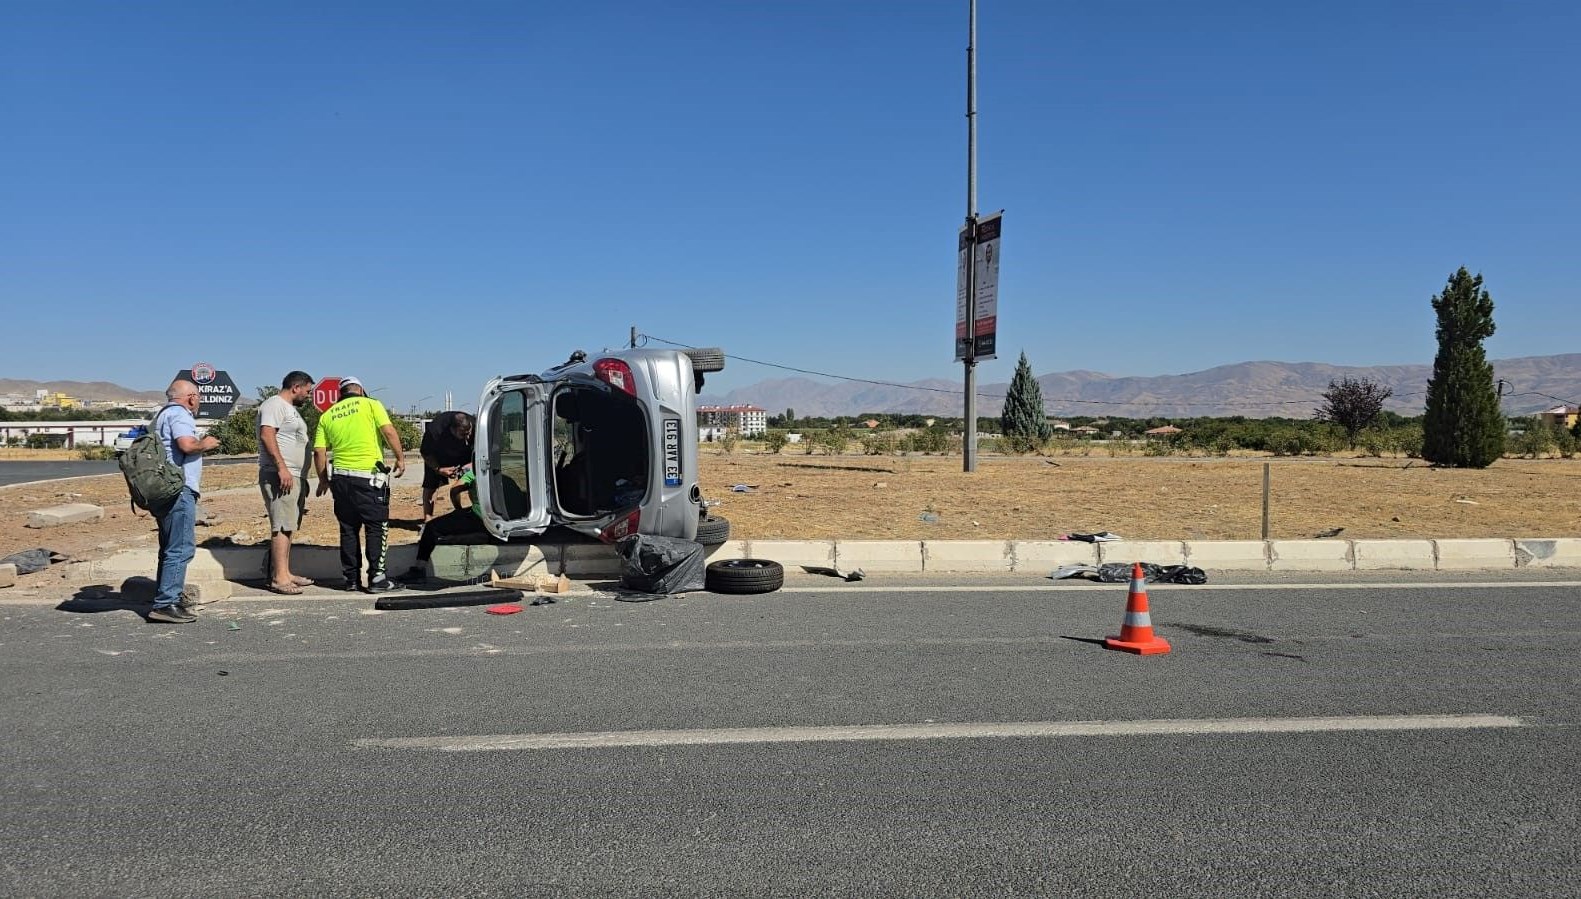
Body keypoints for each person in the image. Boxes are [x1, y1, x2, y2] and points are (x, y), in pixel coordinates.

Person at [313, 376, 407, 593]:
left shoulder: (327, 415)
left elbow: (319, 452)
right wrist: (400, 458)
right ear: (361, 390)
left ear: (341, 394)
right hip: (369, 479)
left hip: (341, 480)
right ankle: (377, 578)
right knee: (376, 526)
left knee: (348, 529)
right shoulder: (371, 404)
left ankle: (351, 580)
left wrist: (323, 480)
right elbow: (388, 431)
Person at [148, 379, 221, 624]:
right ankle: (165, 603)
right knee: (181, 547)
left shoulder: (161, 415)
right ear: (190, 397)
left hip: (163, 490)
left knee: (169, 547)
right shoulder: (180, 415)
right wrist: (206, 444)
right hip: (179, 489)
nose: (198, 400)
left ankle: (168, 596)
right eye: (198, 396)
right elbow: (187, 445)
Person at [257, 370, 315, 594]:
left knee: (289, 524)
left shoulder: (289, 409)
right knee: (281, 524)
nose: (308, 396)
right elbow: (267, 435)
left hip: (293, 475)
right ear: (296, 387)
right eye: (307, 391)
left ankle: (285, 572)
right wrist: (281, 467)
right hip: (279, 474)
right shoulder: (274, 405)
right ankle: (279, 578)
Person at [397, 468, 486, 583]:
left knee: (431, 527)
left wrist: (458, 509)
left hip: (480, 517)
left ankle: (419, 569)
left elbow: (454, 490)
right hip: (502, 524)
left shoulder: (476, 471)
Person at [419, 411, 474, 521]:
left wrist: (472, 464)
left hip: (465, 454)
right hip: (438, 456)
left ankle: (468, 512)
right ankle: (428, 519)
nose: (467, 437)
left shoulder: (476, 425)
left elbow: (483, 451)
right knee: (431, 486)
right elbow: (426, 452)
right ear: (452, 430)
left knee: (473, 482)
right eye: (463, 434)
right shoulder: (435, 430)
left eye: (469, 433)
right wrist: (438, 469)